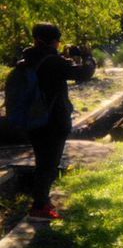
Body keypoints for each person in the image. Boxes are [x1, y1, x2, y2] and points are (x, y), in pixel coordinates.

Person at [20, 23, 95, 220]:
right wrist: (87, 56)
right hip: (52, 121)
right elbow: (84, 74)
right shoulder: (53, 61)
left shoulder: (26, 59)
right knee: (49, 165)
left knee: (42, 162)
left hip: (32, 120)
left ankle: (41, 201)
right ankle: (39, 207)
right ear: (54, 41)